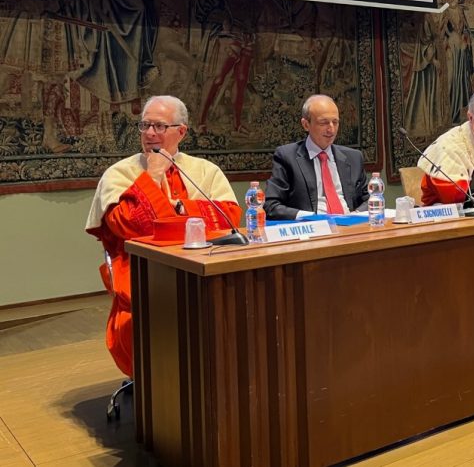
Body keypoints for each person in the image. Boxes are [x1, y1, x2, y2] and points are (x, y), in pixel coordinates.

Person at [85, 95, 241, 377]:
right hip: (141, 269)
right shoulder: (120, 173)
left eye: (159, 126)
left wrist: (178, 207)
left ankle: (213, 374)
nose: (149, 134)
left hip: (202, 264)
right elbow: (130, 224)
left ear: (181, 131)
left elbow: (228, 216)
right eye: (144, 125)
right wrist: (153, 177)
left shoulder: (204, 171)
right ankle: (159, 384)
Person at [264, 95, 369, 219]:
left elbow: (372, 199)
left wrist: (354, 216)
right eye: (324, 123)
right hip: (312, 230)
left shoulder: (354, 157)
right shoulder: (287, 157)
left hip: (351, 229)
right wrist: (310, 218)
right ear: (306, 124)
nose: (331, 129)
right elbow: (271, 206)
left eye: (335, 122)